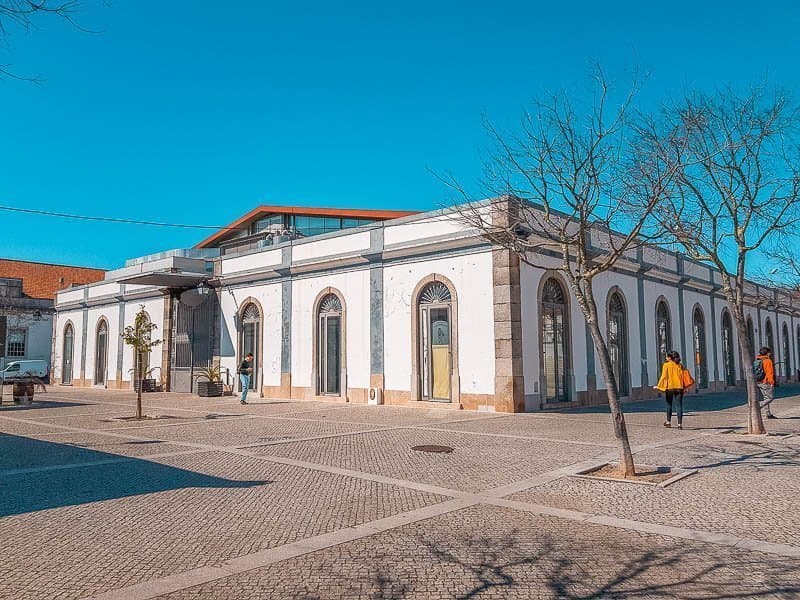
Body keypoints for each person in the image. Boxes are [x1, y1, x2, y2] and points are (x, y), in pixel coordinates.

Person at [654, 350, 692, 429]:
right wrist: (685, 387)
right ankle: (679, 424)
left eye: (667, 356)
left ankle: (668, 422)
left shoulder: (666, 365)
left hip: (670, 387)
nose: (666, 357)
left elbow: (664, 377)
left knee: (669, 404)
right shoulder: (680, 365)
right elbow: (683, 377)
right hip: (679, 387)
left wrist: (658, 386)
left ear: (670, 358)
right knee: (679, 405)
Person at [754, 347, 776, 419]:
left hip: (758, 381)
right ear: (767, 353)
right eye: (769, 352)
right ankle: (757, 407)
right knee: (770, 398)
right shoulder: (767, 361)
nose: (770, 354)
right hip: (765, 382)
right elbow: (769, 373)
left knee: (765, 397)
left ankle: (768, 414)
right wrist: (772, 382)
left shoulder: (757, 360)